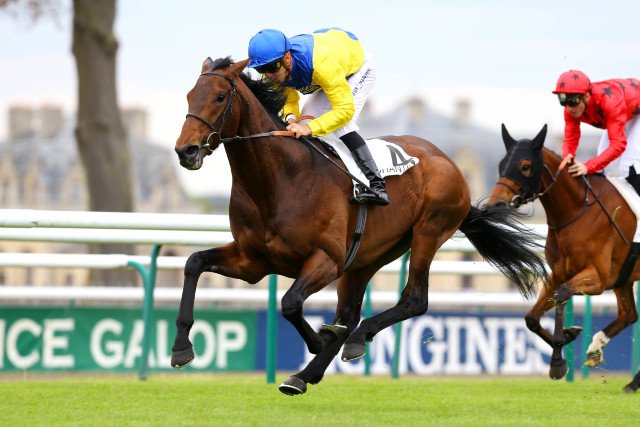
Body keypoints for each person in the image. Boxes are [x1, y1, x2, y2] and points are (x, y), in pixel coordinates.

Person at [247, 28, 389, 206]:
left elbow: (345, 110)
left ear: (287, 58)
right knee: (306, 123)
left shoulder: (321, 64)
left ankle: (377, 185)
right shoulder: (273, 69)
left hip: (357, 69)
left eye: (271, 67)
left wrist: (307, 128)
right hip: (330, 68)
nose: (268, 74)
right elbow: (287, 100)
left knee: (340, 125)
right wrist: (291, 118)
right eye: (261, 69)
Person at [553, 70, 640, 192]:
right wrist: (568, 158)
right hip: (623, 113)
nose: (569, 108)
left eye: (573, 101)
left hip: (634, 112)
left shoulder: (610, 102)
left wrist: (587, 167)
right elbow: (570, 139)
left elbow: (618, 145)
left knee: (628, 165)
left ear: (586, 97)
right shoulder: (570, 109)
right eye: (563, 101)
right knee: (604, 168)